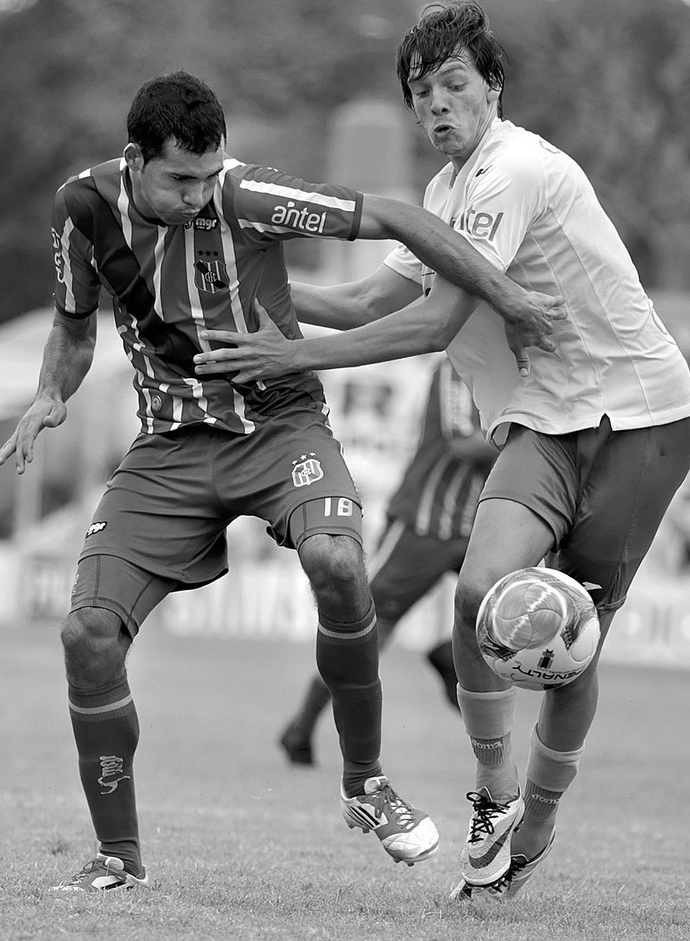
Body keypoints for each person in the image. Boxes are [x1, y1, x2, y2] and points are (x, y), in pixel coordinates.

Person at [0, 70, 562, 893]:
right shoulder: (81, 210)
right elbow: (73, 328)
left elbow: (398, 218)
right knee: (86, 636)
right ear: (134, 161)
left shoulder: (250, 195)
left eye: (210, 174)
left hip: (281, 427)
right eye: (180, 180)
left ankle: (365, 781)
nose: (201, 195)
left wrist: (506, 295)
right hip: (169, 446)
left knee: (338, 560)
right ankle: (119, 856)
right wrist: (52, 391)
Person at [193, 0, 690, 901]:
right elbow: (358, 307)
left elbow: (434, 322)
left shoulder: (509, 170)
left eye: (455, 83)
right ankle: (496, 794)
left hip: (642, 417)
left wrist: (289, 353)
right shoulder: (438, 196)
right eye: (422, 91)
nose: (437, 104)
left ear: (493, 86)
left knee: (571, 643)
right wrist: (236, 276)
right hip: (545, 420)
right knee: (476, 595)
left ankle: (537, 822)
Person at [280, 356, 496, 765]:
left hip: (481, 524)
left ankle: (451, 651)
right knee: (363, 628)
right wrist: (529, 437)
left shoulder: (509, 367)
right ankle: (300, 728)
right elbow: (463, 441)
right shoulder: (459, 363)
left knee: (515, 611)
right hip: (423, 526)